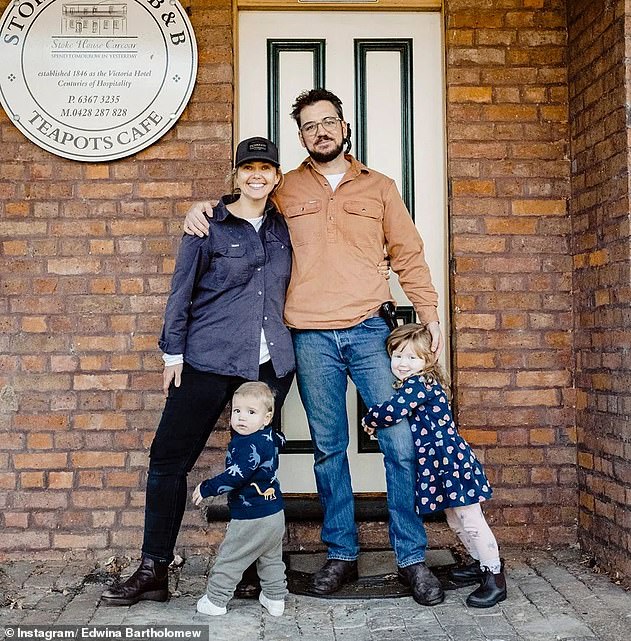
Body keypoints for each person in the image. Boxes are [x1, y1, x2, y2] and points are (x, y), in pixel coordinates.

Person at [183, 88, 445, 606]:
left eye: (328, 122)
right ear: (301, 136)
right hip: (309, 334)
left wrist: (430, 315)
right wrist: (204, 208)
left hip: (371, 331)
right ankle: (341, 554)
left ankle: (412, 558)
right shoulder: (286, 188)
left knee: (398, 444)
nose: (320, 131)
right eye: (309, 125)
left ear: (344, 127)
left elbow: (409, 253)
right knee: (329, 449)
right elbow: (244, 206)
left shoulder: (381, 187)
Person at [101, 137, 295, 606]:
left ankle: (250, 570)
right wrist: (173, 354)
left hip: (270, 364)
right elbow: (180, 290)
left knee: (257, 463)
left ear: (276, 177)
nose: (257, 175)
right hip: (208, 357)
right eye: (248, 167)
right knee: (169, 460)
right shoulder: (206, 225)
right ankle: (153, 569)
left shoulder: (285, 227)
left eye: (265, 168)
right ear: (236, 175)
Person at [362, 323, 506, 608]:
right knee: (454, 518)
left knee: (471, 519)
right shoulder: (415, 382)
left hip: (449, 461)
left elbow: (394, 410)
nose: (403, 364)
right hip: (439, 462)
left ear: (427, 360)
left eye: (412, 358)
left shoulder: (420, 384)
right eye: (398, 356)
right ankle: (479, 564)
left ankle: (495, 575)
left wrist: (370, 420)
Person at [192, 382, 288, 617]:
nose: (242, 417)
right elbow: (281, 440)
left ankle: (215, 600)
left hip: (251, 516)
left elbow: (238, 475)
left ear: (266, 418)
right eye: (237, 411)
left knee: (231, 557)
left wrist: (207, 488)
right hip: (275, 513)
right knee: (271, 558)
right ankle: (276, 599)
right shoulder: (270, 437)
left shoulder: (247, 444)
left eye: (251, 412)